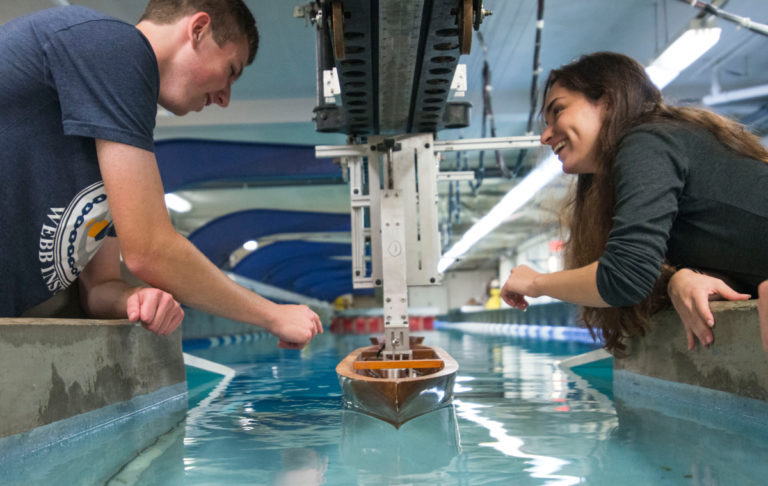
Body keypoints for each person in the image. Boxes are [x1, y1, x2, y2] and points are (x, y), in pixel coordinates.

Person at [0, 0, 322, 348]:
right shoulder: (109, 45)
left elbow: (100, 287)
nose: (225, 98)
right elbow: (149, 250)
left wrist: (133, 299)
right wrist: (273, 315)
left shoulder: (110, 131)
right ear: (198, 29)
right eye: (231, 70)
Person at [500, 52, 768, 354]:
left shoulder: (647, 141)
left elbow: (624, 276)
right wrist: (685, 277)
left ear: (608, 101)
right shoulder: (644, 165)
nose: (545, 136)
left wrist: (536, 283)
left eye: (558, 111)